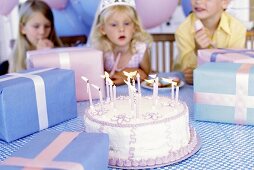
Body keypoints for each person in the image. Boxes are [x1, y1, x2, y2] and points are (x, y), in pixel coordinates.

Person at [174, 0, 246, 84]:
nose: (198, 1)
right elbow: (187, 72)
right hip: (186, 86)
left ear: (225, 3)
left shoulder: (237, 28)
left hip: (224, 84)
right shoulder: (183, 29)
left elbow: (235, 68)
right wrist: (198, 51)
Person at [91, 0, 152, 85]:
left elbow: (145, 75)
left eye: (126, 23)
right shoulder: (103, 51)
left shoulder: (139, 49)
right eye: (114, 25)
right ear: (103, 29)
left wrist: (123, 76)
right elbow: (98, 76)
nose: (121, 29)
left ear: (134, 27)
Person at [8, 0, 62, 73]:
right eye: (36, 26)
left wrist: (52, 56)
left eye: (47, 26)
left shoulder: (61, 54)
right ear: (22, 28)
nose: (42, 32)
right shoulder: (12, 61)